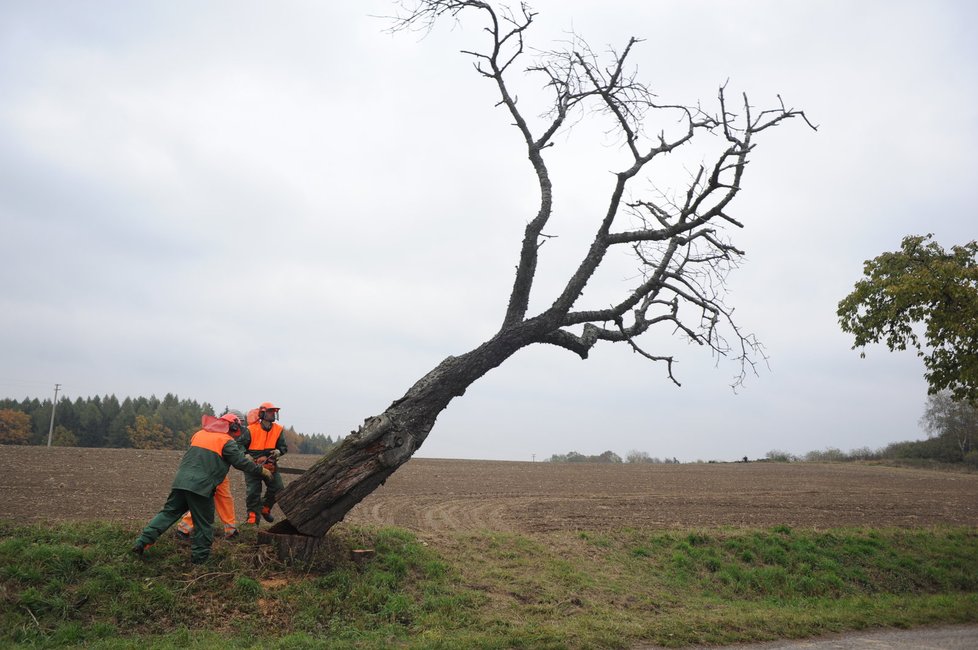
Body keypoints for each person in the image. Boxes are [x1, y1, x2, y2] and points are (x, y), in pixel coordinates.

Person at [131, 412, 271, 564]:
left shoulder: (199, 434)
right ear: (234, 426)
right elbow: (240, 462)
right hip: (201, 487)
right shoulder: (226, 441)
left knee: (168, 513)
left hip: (181, 482)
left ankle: (142, 542)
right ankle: (200, 561)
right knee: (204, 524)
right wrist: (261, 470)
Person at [175, 409, 245, 542]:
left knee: (225, 498)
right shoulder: (220, 436)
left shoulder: (213, 434)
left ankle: (231, 530)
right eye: (239, 424)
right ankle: (184, 529)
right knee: (202, 502)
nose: (239, 429)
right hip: (209, 473)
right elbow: (238, 459)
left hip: (218, 473)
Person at [240, 401, 288, 525]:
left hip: (270, 464)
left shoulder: (278, 429)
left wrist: (278, 452)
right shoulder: (250, 429)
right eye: (270, 412)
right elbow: (239, 445)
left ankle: (265, 508)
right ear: (262, 413)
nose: (273, 414)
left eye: (274, 412)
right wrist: (246, 455)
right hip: (253, 465)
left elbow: (283, 447)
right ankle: (252, 518)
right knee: (253, 492)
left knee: (278, 488)